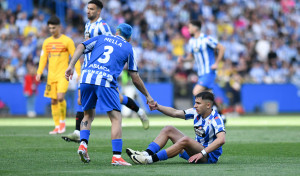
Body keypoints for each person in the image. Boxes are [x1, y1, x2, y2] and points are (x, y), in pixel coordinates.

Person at [65, 23, 155, 166]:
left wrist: (70, 66)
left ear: (117, 31)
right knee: (116, 119)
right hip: (105, 80)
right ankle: (117, 157)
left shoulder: (101, 38)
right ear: (130, 37)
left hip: (86, 77)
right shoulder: (128, 48)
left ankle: (83, 144)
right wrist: (148, 96)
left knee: (87, 115)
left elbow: (81, 46)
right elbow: (135, 77)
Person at [62, 0, 149, 143]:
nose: (88, 11)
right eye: (87, 8)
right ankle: (79, 133)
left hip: (104, 70)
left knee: (118, 99)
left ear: (98, 11)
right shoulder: (87, 25)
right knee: (81, 100)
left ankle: (139, 110)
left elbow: (112, 45)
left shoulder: (103, 27)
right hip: (88, 68)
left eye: (91, 9)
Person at [126, 91, 225, 164]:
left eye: (198, 103)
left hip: (207, 157)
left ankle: (148, 160)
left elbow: (221, 140)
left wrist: (202, 153)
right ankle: (145, 154)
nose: (195, 106)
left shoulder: (216, 119)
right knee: (168, 129)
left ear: (208, 105)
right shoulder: (196, 112)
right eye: (195, 103)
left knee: (185, 140)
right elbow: (175, 113)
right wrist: (158, 107)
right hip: (194, 152)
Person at [36, 15, 81, 134]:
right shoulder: (47, 42)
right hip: (51, 75)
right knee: (53, 101)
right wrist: (39, 72)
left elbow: (75, 57)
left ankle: (62, 122)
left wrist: (78, 73)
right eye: (50, 28)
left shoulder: (67, 41)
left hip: (63, 74)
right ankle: (57, 126)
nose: (52, 30)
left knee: (60, 97)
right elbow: (43, 58)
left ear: (59, 27)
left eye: (54, 28)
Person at [178, 20, 226, 122]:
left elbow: (221, 48)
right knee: (208, 95)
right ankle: (221, 115)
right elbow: (191, 57)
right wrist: (183, 59)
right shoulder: (191, 41)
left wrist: (216, 63)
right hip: (201, 73)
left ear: (195, 28)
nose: (188, 29)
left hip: (209, 71)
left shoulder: (206, 39)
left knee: (196, 91)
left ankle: (202, 115)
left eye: (190, 27)